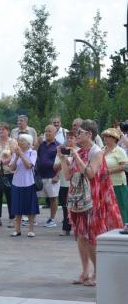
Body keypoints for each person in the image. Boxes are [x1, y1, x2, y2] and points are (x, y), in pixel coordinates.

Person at [58, 119, 123, 287]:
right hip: (79, 199)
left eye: (79, 132)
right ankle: (85, 271)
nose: (76, 135)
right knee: (80, 235)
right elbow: (67, 176)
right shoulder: (79, 151)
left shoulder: (96, 152)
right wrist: (63, 159)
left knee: (93, 235)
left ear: (89, 134)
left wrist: (77, 156)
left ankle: (97, 272)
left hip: (96, 198)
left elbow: (91, 173)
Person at [9, 134, 39, 237]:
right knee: (17, 207)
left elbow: (29, 166)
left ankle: (31, 229)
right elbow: (12, 168)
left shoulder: (32, 153)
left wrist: (21, 154)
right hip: (16, 183)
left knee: (30, 207)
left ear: (28, 143)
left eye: (22, 141)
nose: (20, 142)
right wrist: (17, 156)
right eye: (19, 140)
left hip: (28, 183)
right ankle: (17, 229)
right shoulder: (15, 154)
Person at [53, 131, 78, 236]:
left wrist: (69, 161)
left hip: (75, 184)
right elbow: (55, 168)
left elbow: (78, 167)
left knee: (76, 207)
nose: (69, 140)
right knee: (64, 206)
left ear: (76, 139)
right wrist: (62, 158)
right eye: (68, 137)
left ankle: (77, 228)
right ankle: (66, 227)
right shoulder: (61, 151)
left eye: (72, 138)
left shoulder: (79, 151)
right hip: (63, 183)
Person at [101, 128, 128, 223]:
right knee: (107, 206)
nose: (105, 138)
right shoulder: (102, 149)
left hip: (118, 183)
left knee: (121, 206)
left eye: (107, 136)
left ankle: (125, 225)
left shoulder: (119, 151)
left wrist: (109, 171)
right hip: (105, 183)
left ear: (114, 138)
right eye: (104, 136)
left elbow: (126, 166)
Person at [37, 125, 60, 228]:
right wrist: (37, 142)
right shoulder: (41, 145)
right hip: (40, 176)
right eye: (46, 131)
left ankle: (52, 219)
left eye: (50, 131)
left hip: (52, 176)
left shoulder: (59, 146)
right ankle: (32, 218)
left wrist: (57, 175)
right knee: (35, 197)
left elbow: (61, 162)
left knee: (53, 199)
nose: (47, 133)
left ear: (55, 133)